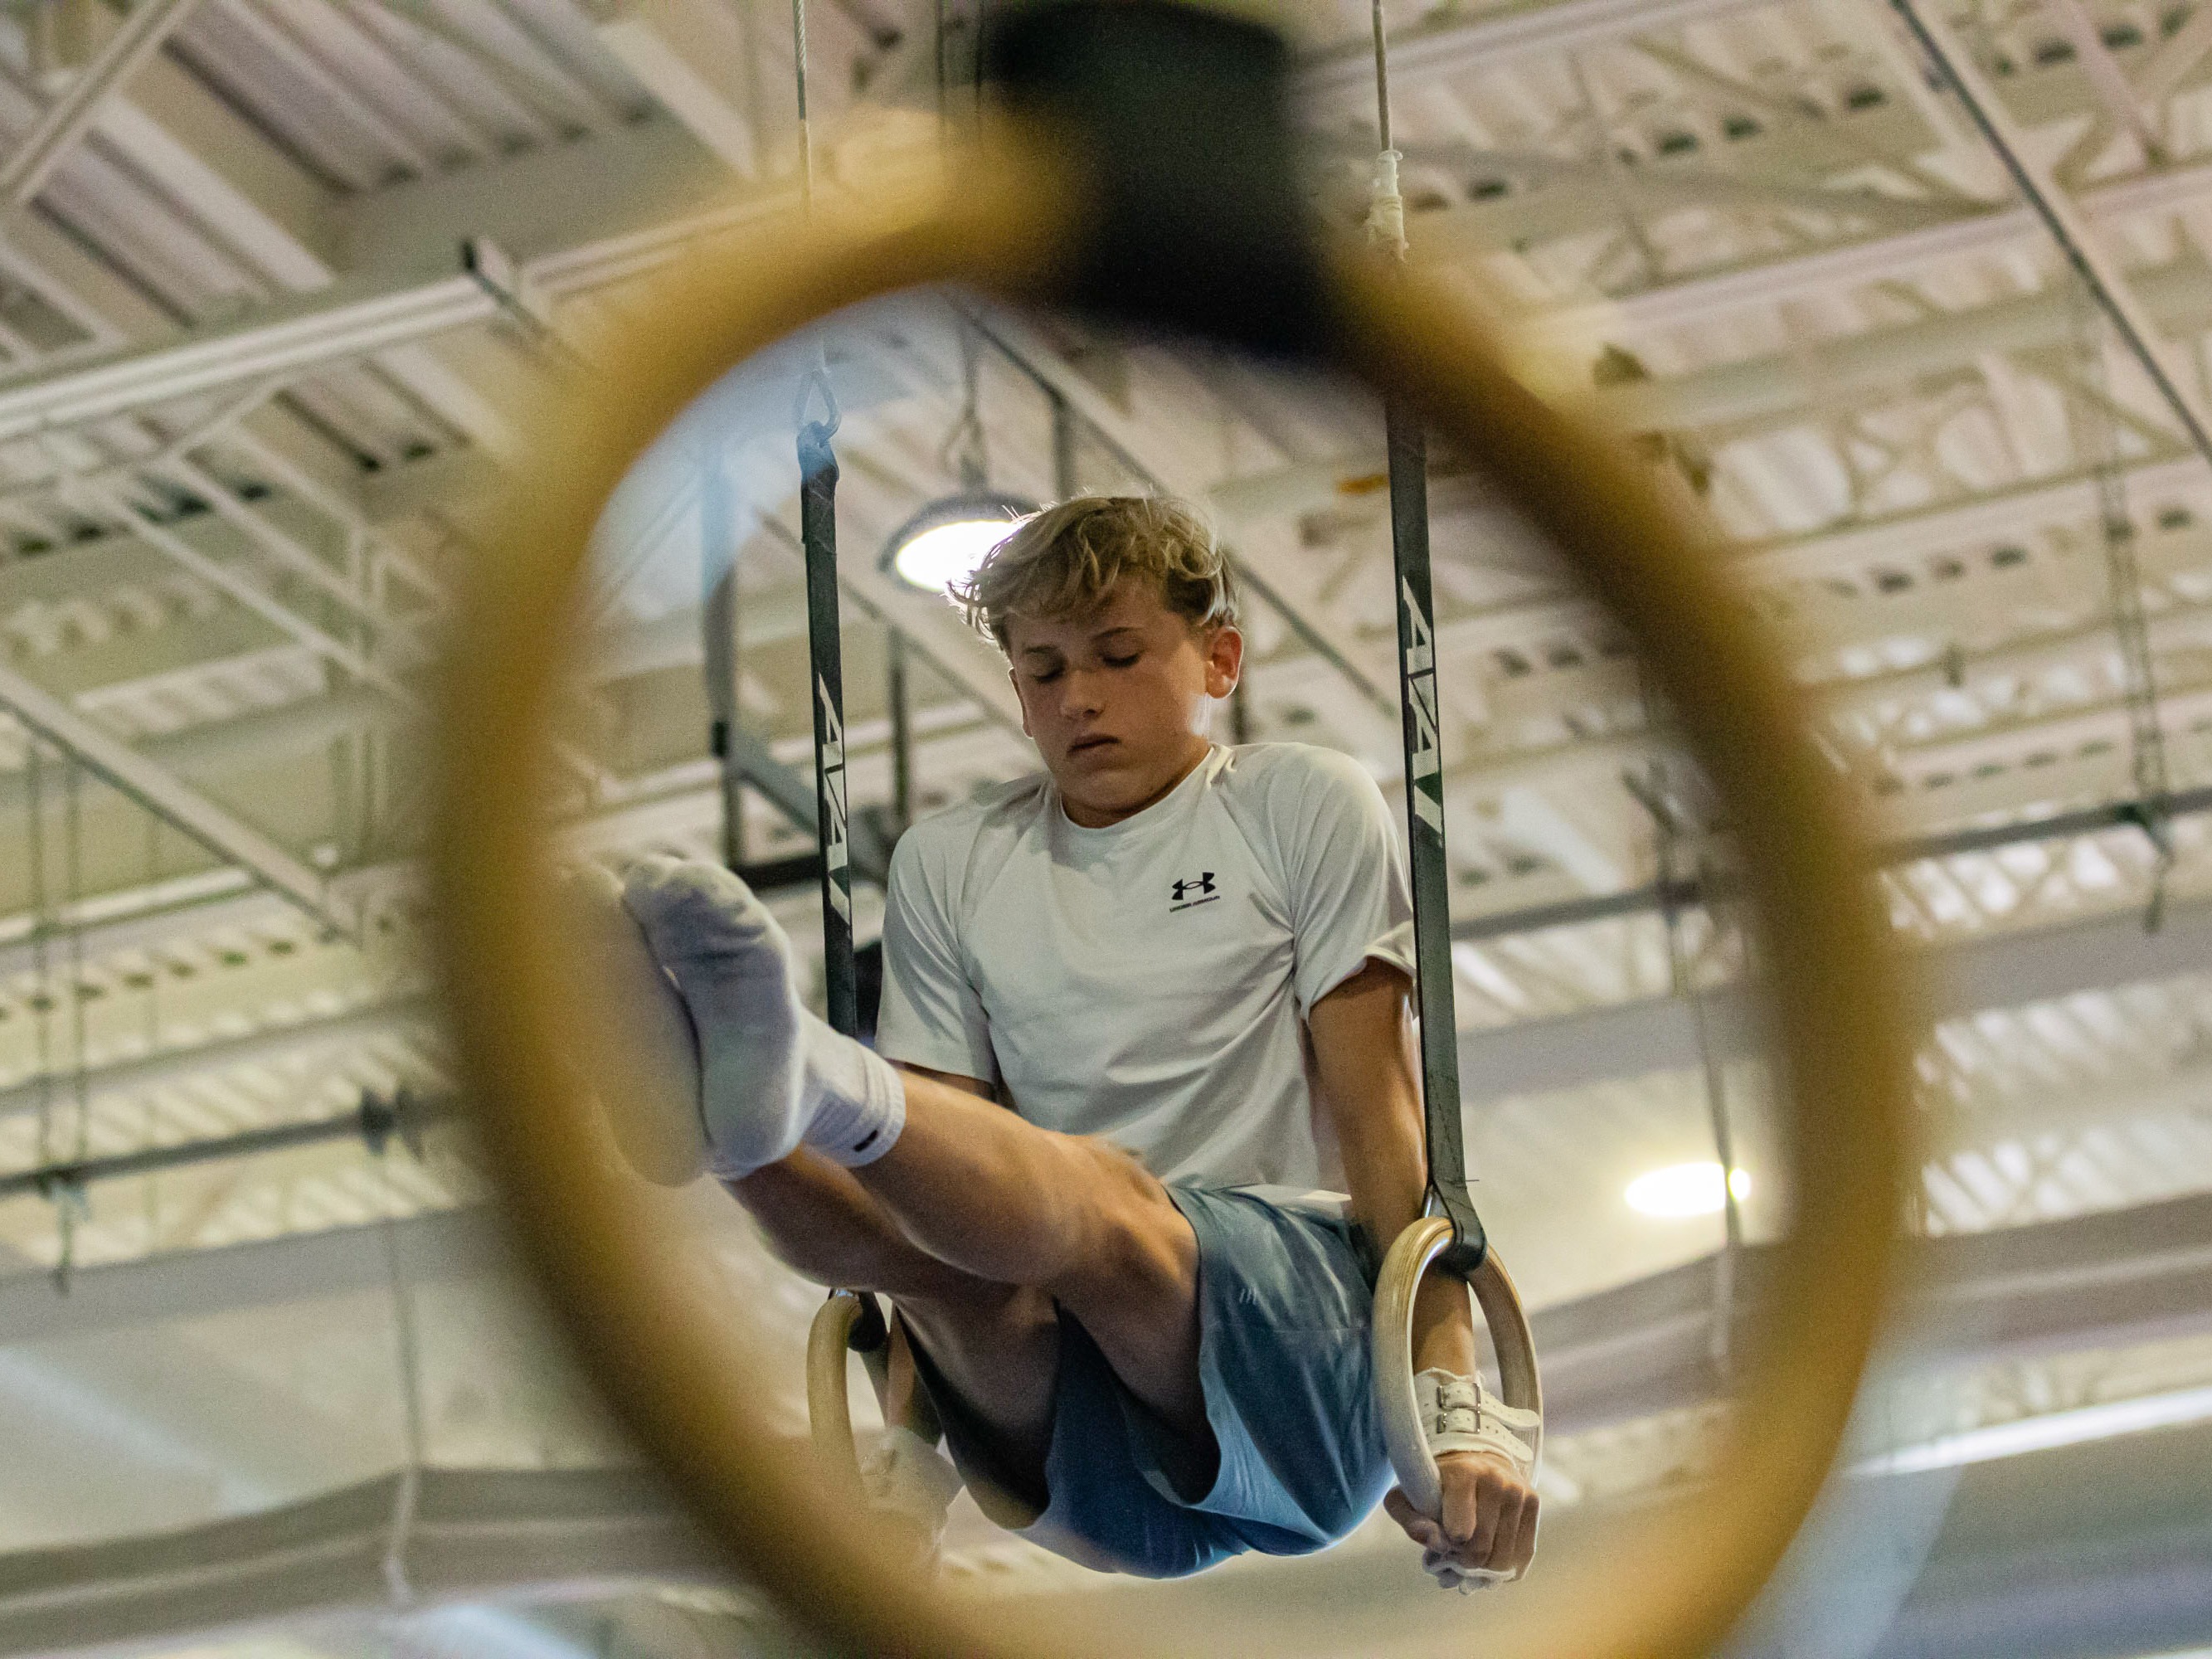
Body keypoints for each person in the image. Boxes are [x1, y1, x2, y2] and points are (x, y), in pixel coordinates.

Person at [580, 494, 1539, 1587]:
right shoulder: (955, 860)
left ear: (1218, 659)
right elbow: (921, 1185)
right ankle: (736, 1130)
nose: (1078, 698)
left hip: (1307, 1378)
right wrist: (906, 1464)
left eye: (1118, 655)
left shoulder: (1295, 804)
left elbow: (1383, 1119)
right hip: (1082, 1474)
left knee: (1106, 1211)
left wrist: (1449, 1402)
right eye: (1042, 672)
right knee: (945, 1252)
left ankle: (796, 1068)